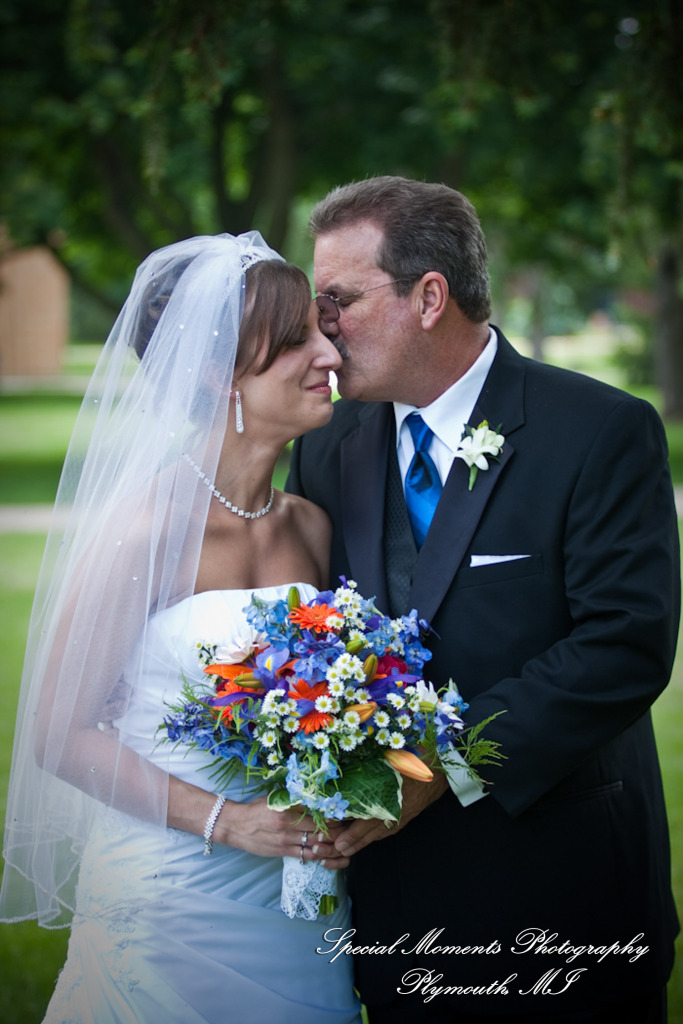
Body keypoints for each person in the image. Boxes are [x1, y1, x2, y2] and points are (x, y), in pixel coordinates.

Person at [287, 176, 680, 1023]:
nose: (320, 328)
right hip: (394, 915)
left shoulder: (598, 431)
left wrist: (441, 766)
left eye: (339, 301)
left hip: (562, 893)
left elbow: (623, 644)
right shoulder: (327, 450)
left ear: (429, 297)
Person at [0, 231, 362, 1024]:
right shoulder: (144, 533)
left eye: (322, 331)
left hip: (298, 909)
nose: (329, 354)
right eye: (296, 340)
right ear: (217, 373)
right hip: (171, 901)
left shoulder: (310, 526)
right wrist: (226, 822)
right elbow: (58, 734)